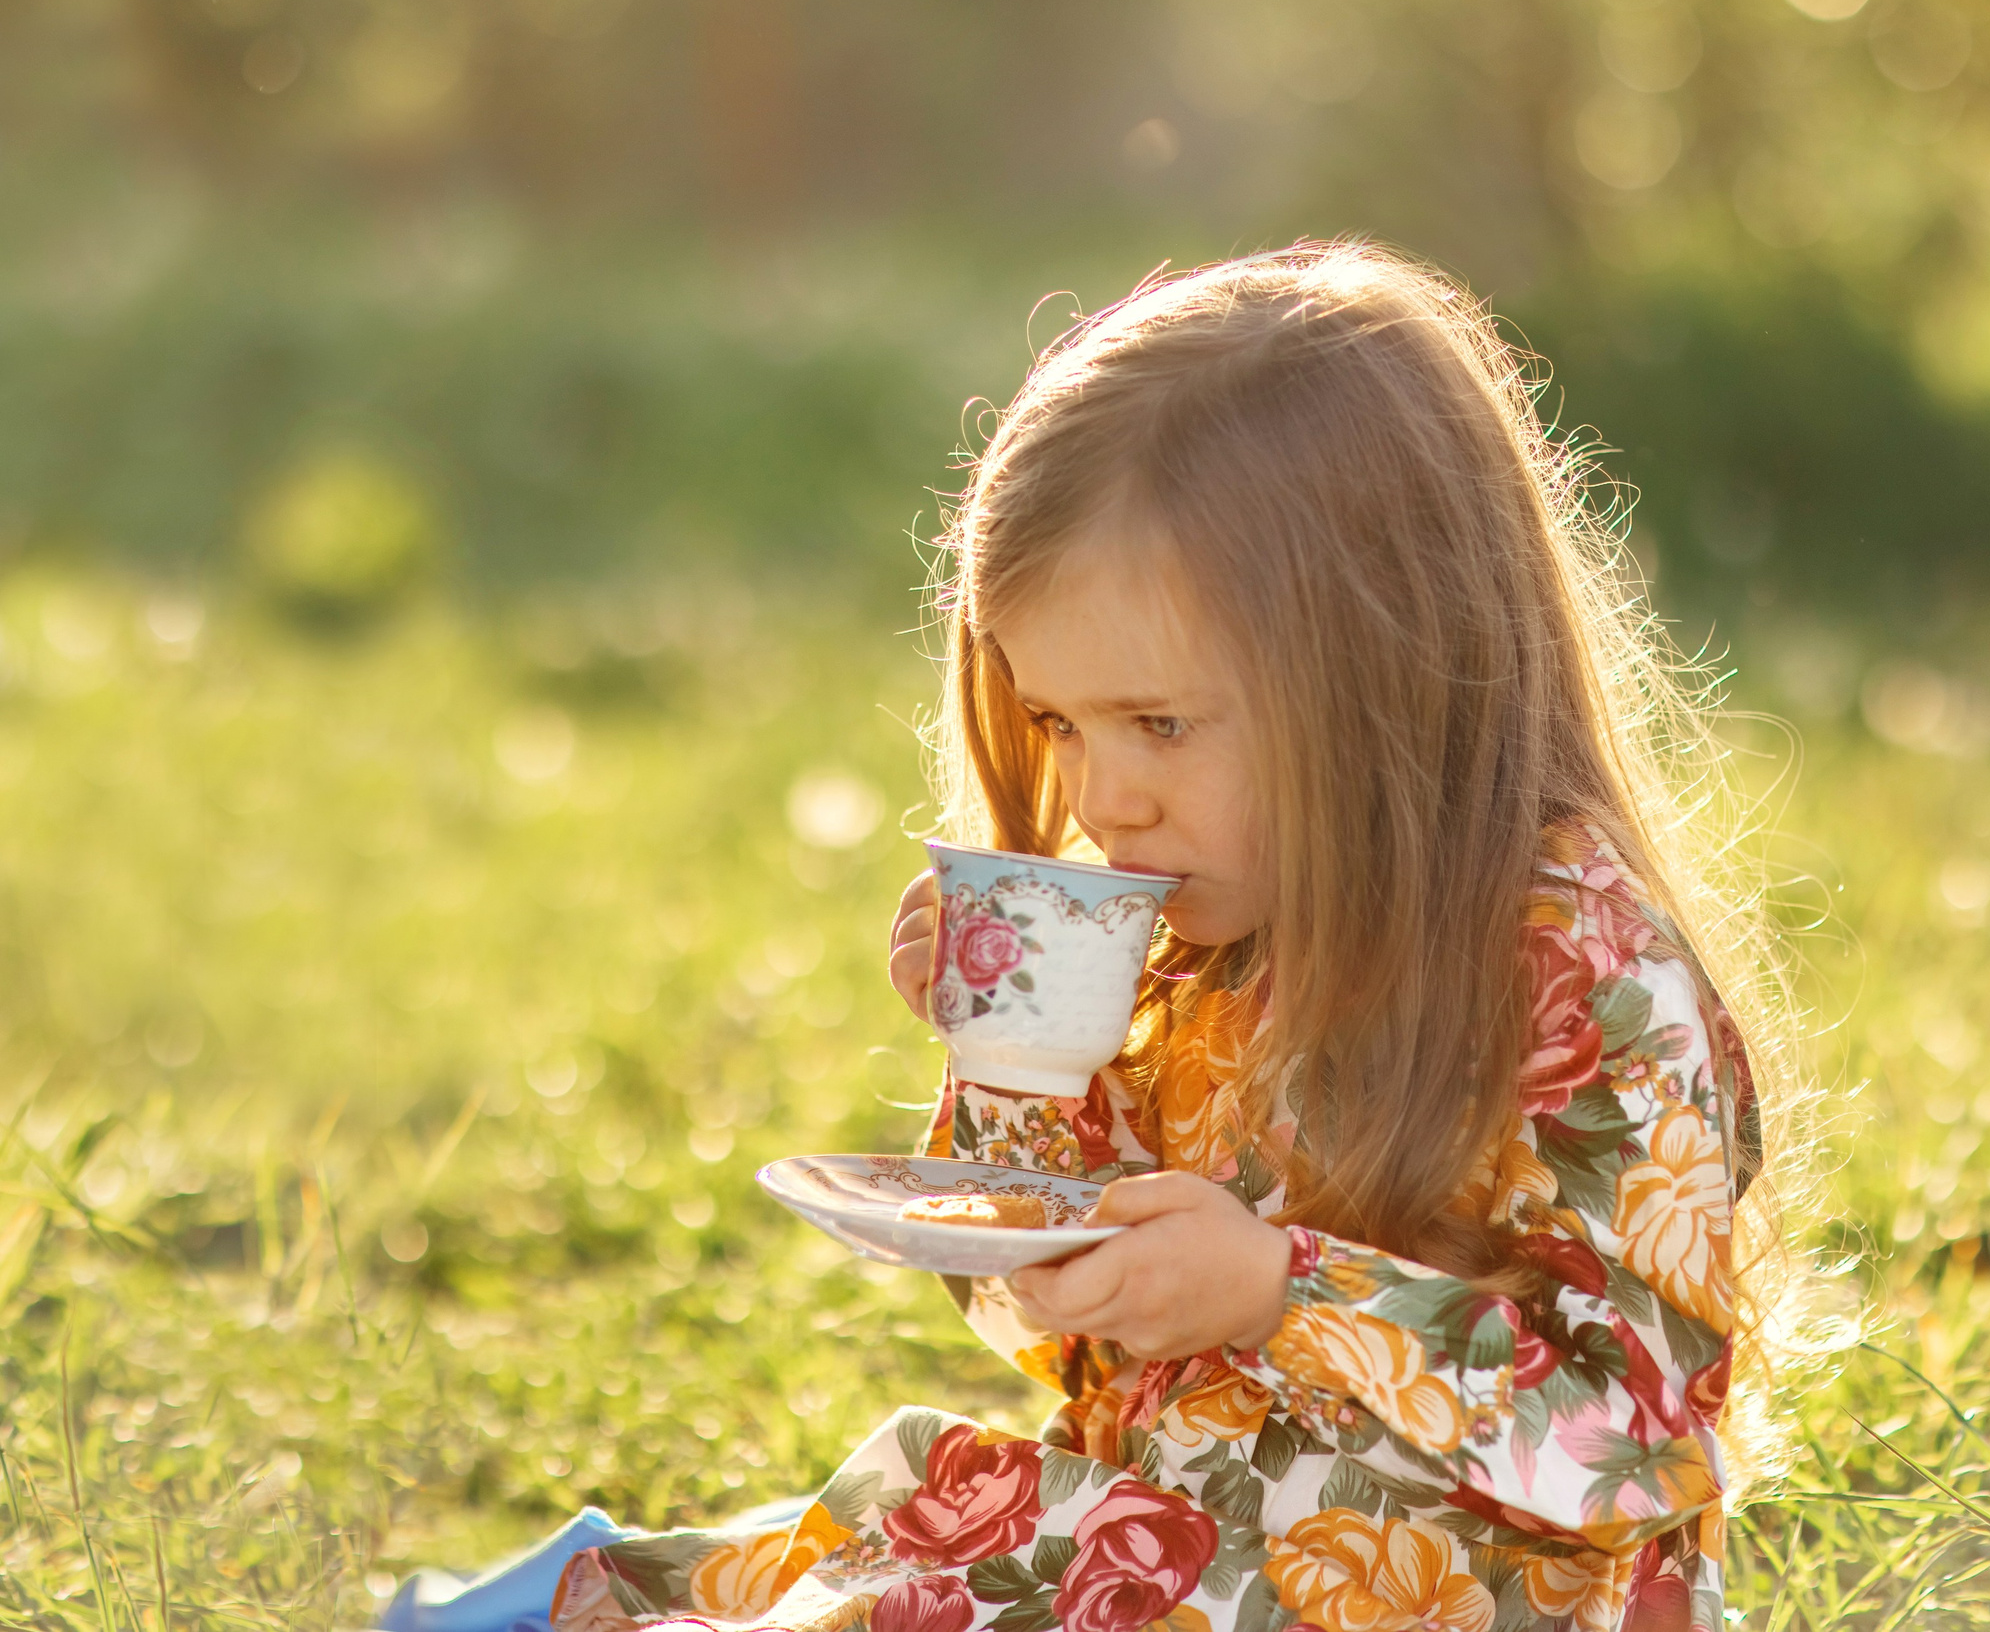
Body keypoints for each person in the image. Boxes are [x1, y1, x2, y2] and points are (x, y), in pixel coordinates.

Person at [471, 241, 1795, 1632]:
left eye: (1159, 724)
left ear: (1388, 666)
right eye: (1057, 723)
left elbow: (1639, 1430)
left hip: (1457, 1600)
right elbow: (1058, 1345)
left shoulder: (1575, 961)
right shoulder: (1204, 926)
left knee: (989, 1580)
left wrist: (1281, 1292)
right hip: (1191, 1554)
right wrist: (1016, 1061)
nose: (1104, 799)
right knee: (926, 1518)